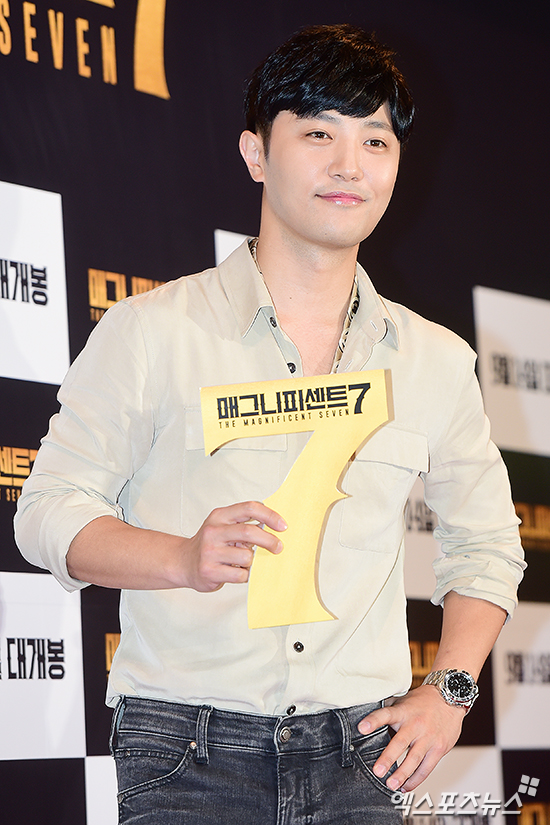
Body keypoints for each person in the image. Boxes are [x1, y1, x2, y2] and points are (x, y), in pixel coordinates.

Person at [15, 23, 524, 825]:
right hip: (187, 751)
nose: (349, 165)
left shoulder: (433, 359)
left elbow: (488, 545)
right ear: (256, 153)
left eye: (375, 141)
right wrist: (180, 557)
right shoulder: (152, 330)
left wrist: (450, 691)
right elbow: (46, 510)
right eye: (319, 134)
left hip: (363, 753)